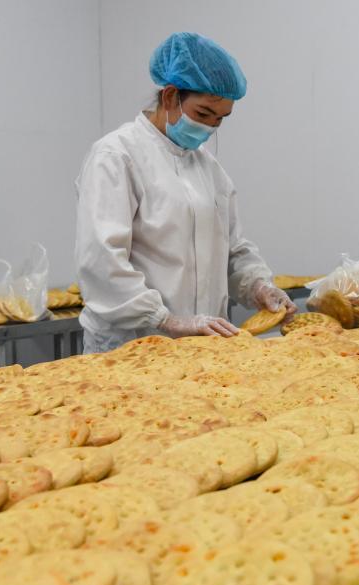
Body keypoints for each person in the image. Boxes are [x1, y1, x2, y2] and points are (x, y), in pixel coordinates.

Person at [74, 32, 295, 353]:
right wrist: (165, 319)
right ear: (170, 96)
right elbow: (101, 261)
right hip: (133, 346)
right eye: (203, 114)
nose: (209, 127)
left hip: (203, 347)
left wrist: (258, 286)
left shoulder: (208, 169)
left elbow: (233, 250)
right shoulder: (117, 156)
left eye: (220, 119)